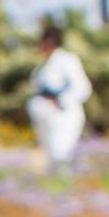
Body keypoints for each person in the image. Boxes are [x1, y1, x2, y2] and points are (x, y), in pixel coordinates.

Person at [27, 22, 91, 173]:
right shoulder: (41, 67)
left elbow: (82, 88)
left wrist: (60, 100)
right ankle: (54, 191)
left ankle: (65, 188)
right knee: (50, 156)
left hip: (63, 115)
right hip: (45, 117)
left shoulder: (67, 60)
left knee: (61, 153)